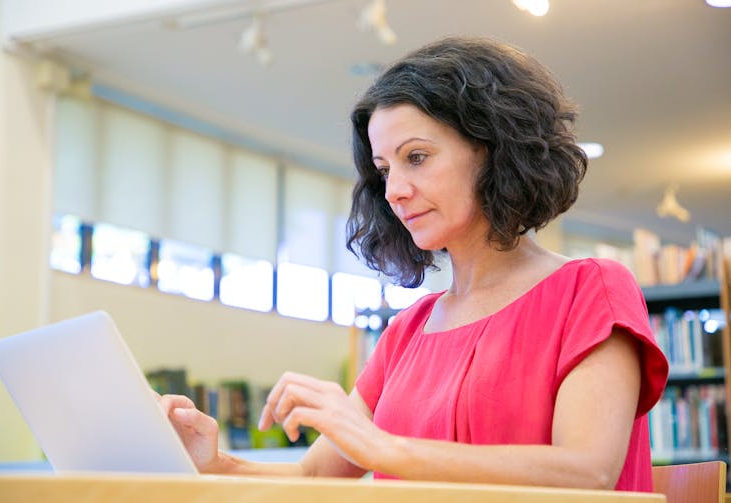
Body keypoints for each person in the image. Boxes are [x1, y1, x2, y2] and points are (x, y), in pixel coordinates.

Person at [159, 36, 668, 491]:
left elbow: (587, 471)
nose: (395, 191)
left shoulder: (590, 290)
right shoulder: (408, 331)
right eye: (383, 170)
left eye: (416, 157)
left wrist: (382, 448)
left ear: (493, 150)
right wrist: (215, 463)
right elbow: (313, 476)